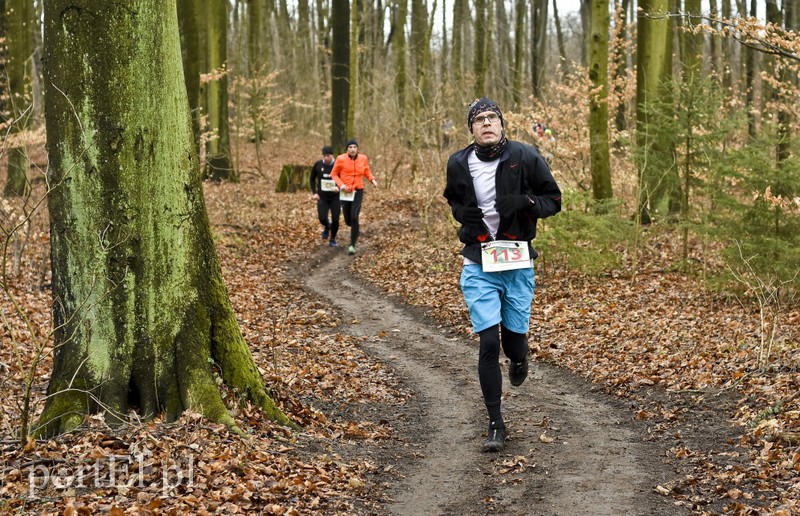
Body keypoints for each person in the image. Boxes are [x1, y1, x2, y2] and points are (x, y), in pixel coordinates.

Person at [443, 98, 562, 453]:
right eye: (479, 119)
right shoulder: (459, 163)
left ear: (502, 124)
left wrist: (526, 203)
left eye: (492, 117)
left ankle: (521, 357)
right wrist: (465, 215)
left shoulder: (524, 156)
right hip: (479, 264)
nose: (487, 123)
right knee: (488, 344)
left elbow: (553, 200)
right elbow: (453, 201)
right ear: (472, 128)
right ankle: (496, 424)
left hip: (517, 261)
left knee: (513, 344)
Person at [331, 139, 378, 255]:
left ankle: (352, 244)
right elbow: (333, 174)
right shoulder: (340, 159)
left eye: (354, 147)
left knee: (354, 215)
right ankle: (354, 228)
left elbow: (367, 171)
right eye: (350, 147)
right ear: (347, 149)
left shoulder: (363, 158)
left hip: (358, 190)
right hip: (345, 191)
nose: (352, 149)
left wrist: (372, 180)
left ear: (357, 148)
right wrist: (341, 185)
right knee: (348, 220)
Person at [310, 145, 340, 246]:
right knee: (322, 218)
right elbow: (312, 179)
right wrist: (314, 193)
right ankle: (327, 226)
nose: (326, 158)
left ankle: (332, 239)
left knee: (336, 218)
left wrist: (339, 188)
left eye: (328, 155)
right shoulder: (318, 165)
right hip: (322, 196)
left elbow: (344, 179)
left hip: (335, 197)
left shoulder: (338, 165)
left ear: (332, 155)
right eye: (324, 155)